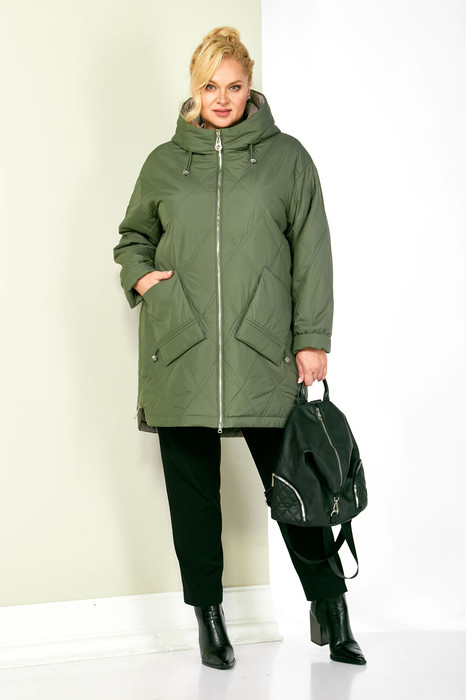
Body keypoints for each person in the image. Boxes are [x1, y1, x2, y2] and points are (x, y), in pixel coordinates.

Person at [114, 27, 366, 669]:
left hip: (263, 350)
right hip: (183, 348)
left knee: (298, 491)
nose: (221, 99)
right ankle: (209, 617)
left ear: (250, 86)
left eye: (233, 86)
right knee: (193, 499)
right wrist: (144, 280)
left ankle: (331, 606)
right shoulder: (163, 163)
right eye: (209, 87)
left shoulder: (288, 159)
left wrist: (311, 340)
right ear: (194, 89)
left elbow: (312, 252)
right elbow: (132, 239)